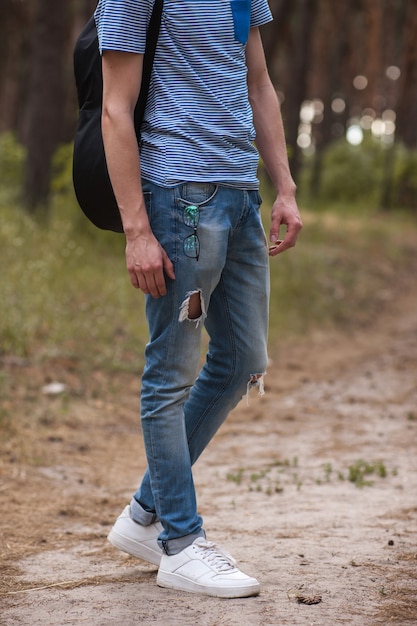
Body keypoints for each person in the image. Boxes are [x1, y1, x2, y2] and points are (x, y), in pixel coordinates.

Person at [95, 0, 302, 598]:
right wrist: (137, 230)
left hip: (240, 195)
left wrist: (283, 184)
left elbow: (258, 83)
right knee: (172, 370)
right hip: (178, 197)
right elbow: (115, 107)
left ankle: (143, 517)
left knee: (241, 360)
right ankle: (181, 545)